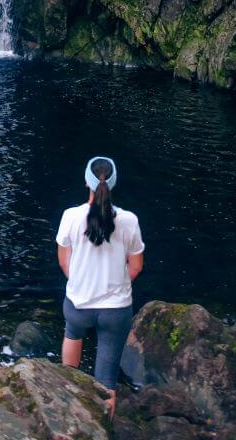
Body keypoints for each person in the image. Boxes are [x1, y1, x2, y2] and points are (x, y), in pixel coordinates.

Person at [56, 155, 144, 414]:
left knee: (69, 361)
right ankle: (103, 426)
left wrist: (81, 282)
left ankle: (67, 414)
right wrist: (116, 285)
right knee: (106, 383)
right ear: (113, 184)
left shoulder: (71, 216)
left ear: (87, 182)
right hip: (115, 310)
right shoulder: (129, 220)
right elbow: (136, 266)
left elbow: (64, 262)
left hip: (78, 305)